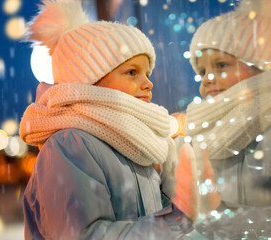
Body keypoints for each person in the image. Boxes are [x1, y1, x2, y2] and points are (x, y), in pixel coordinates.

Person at [19, 0, 210, 239]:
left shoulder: (140, 143)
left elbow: (151, 215)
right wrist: (176, 220)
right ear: (90, 79)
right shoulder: (71, 145)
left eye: (147, 73)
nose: (148, 83)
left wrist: (176, 186)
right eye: (132, 72)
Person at [176, 0, 271, 239]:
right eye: (202, 71)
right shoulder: (206, 133)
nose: (207, 79)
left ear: (263, 68)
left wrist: (221, 223)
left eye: (221, 65)